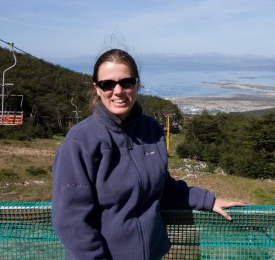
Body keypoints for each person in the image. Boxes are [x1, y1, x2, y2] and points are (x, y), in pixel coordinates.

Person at [51, 48, 244, 260]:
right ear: (97, 88)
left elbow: (161, 187)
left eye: (126, 82)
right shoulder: (80, 142)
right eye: (107, 84)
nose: (118, 91)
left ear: (137, 84)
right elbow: (71, 221)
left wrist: (208, 201)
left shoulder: (150, 130)